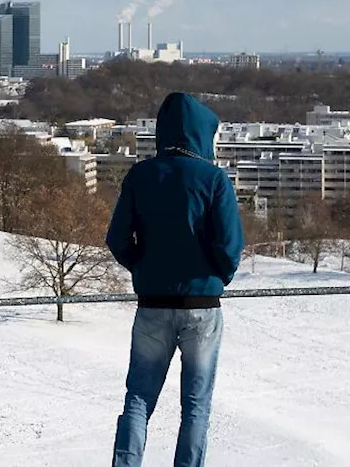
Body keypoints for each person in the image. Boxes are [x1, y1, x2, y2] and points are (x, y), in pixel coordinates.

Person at [106, 92, 244, 467]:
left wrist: (142, 267)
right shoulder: (214, 179)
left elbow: (117, 239)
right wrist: (219, 275)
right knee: (196, 407)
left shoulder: (140, 175)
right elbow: (230, 245)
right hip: (201, 306)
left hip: (152, 305)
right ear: (202, 134)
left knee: (138, 398)